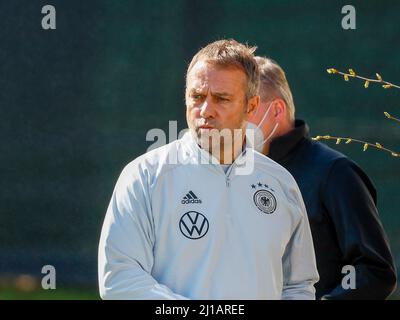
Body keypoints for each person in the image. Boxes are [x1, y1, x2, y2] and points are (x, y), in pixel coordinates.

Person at [98, 39, 319, 300]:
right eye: (197, 97)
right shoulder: (145, 176)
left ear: (250, 106)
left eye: (221, 99)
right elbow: (120, 279)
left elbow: (298, 286)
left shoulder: (281, 183)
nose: (205, 110)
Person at [247, 55, 397, 299]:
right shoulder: (234, 172)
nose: (233, 121)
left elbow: (376, 270)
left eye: (248, 108)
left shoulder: (335, 173)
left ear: (276, 109)